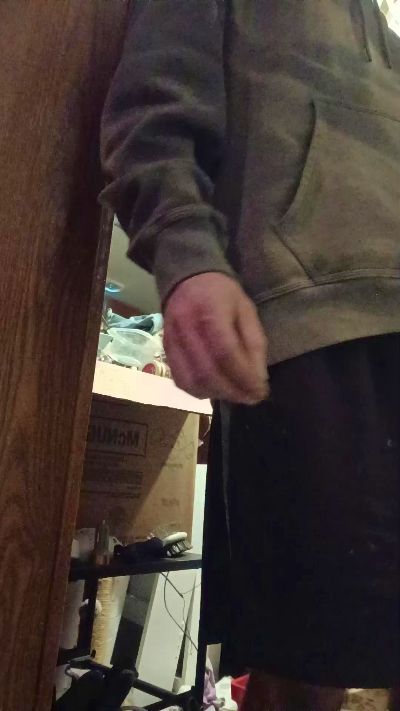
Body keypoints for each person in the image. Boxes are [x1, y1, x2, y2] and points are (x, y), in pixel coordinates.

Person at [100, 1, 400, 708]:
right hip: (306, 334)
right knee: (304, 661)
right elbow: (149, 113)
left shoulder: (386, 38)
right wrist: (186, 255)